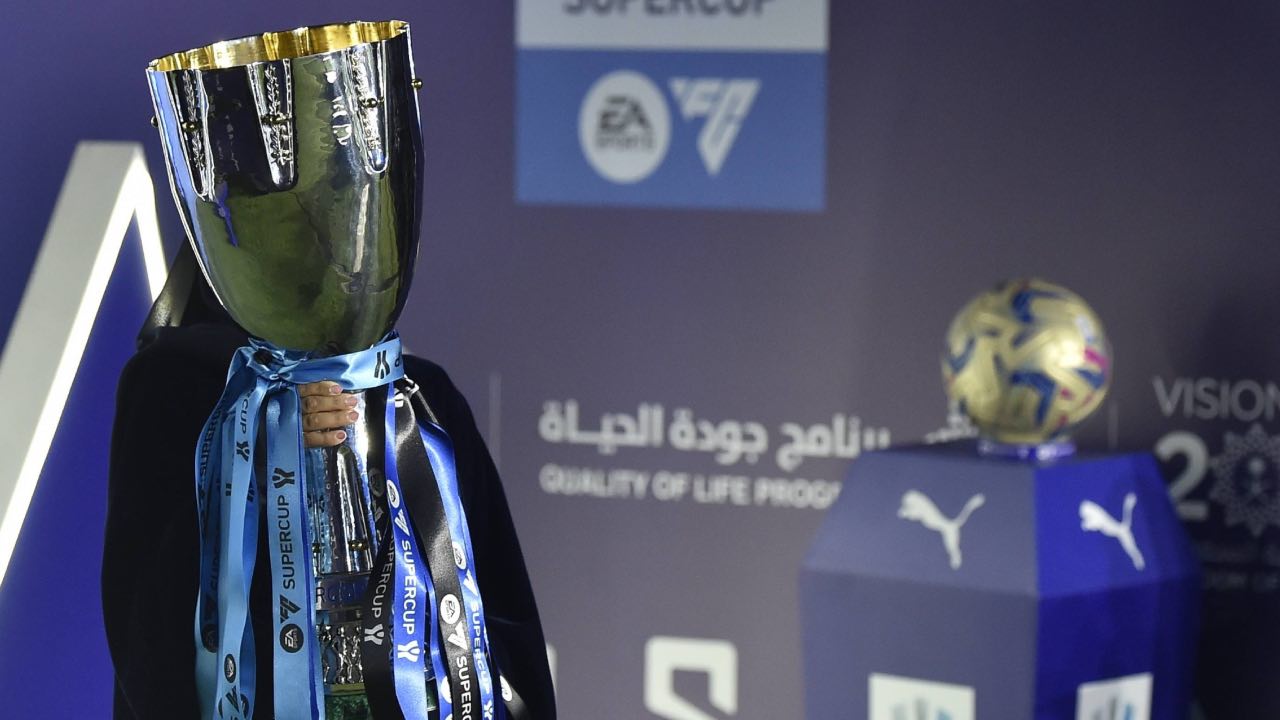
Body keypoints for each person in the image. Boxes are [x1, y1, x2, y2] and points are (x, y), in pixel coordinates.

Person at [101, 244, 555, 719]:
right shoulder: (177, 382)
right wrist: (250, 458)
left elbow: (502, 617)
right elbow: (144, 622)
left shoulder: (423, 395)